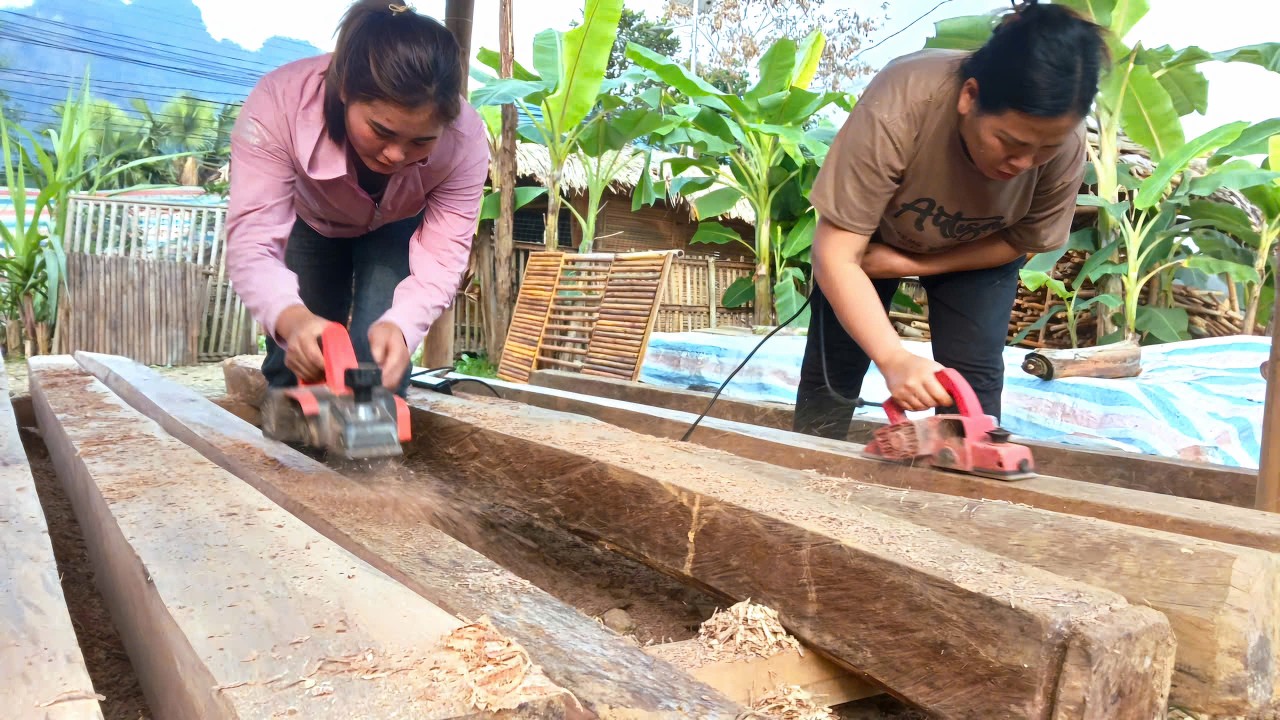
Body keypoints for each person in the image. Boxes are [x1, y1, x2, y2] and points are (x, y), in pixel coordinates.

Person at [794, 0, 1106, 439]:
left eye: (1045, 150)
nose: (1024, 163)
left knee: (972, 384)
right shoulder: (902, 101)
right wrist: (893, 358)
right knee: (834, 370)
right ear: (969, 97)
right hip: (867, 246)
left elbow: (1019, 241)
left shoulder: (1066, 143)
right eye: (1009, 141)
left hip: (980, 251)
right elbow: (835, 256)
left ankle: (966, 477)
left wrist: (913, 264)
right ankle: (809, 462)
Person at [226, 0, 488, 396]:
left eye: (421, 141)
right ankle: (289, 427)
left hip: (395, 224)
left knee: (378, 358)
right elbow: (253, 241)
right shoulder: (279, 104)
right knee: (300, 353)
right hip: (309, 220)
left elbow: (443, 258)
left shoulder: (466, 142)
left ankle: (376, 434)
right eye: (381, 131)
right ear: (346, 88)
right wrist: (290, 318)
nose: (396, 155)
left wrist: (401, 326)